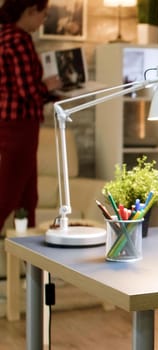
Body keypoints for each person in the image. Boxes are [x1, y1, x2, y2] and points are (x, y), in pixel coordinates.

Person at [0, 0, 62, 235]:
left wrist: (48, 93)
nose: (43, 21)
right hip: (20, 127)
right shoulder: (19, 40)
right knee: (8, 197)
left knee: (27, 198)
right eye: (43, 15)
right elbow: (28, 92)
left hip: (11, 123)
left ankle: (32, 268)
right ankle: (32, 266)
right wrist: (49, 85)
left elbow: (17, 89)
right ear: (29, 11)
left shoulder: (5, 35)